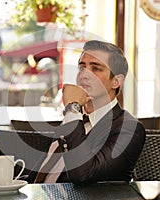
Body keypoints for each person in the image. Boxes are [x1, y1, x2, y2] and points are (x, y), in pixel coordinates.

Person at [33, 40, 146, 184]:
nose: (84, 75)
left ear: (116, 81)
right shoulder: (75, 119)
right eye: (82, 67)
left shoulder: (129, 128)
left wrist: (73, 108)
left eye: (96, 69)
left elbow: (83, 175)